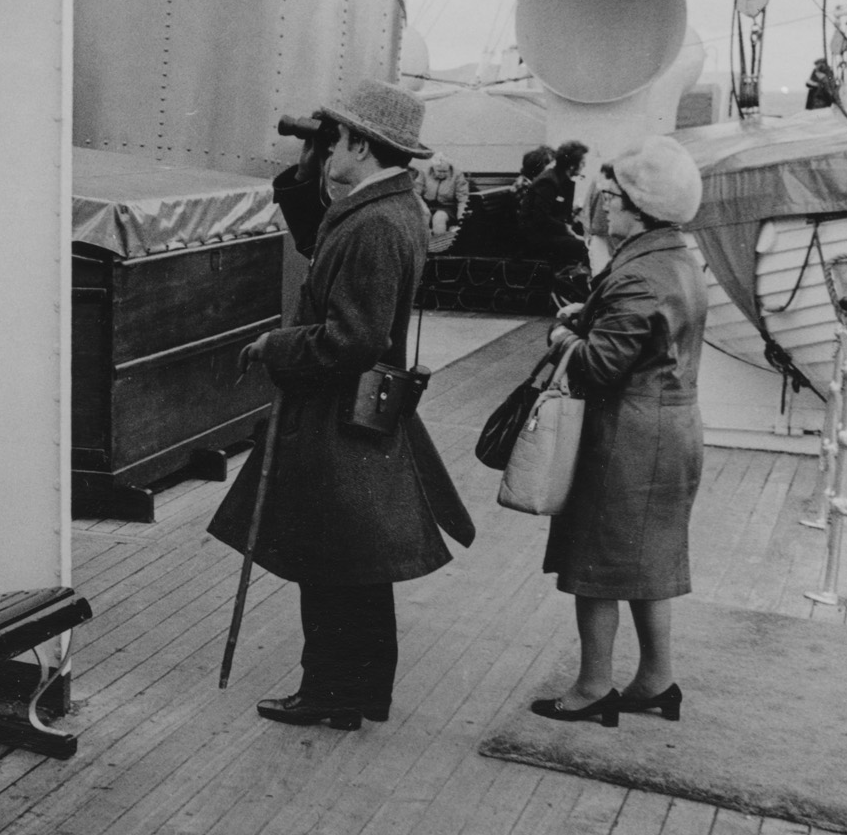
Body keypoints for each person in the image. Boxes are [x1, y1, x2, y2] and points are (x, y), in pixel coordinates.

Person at [209, 79, 476, 731]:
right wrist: (308, 165)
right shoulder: (392, 209)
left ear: (361, 142)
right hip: (352, 413)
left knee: (331, 557)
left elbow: (351, 339)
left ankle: (331, 692)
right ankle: (352, 691)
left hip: (334, 414)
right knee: (355, 560)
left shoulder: (376, 225)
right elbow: (316, 235)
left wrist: (278, 343)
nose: (327, 148)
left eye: (336, 138)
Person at [531, 135, 708, 727]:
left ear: (639, 204)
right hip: (669, 431)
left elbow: (601, 364)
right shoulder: (676, 259)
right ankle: (657, 680)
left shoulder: (638, 275)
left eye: (611, 195)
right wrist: (586, 317)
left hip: (627, 442)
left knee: (598, 566)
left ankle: (592, 688)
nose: (601, 204)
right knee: (649, 564)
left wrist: (563, 339)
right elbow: (647, 335)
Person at [521, 139, 592, 275]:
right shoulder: (548, 182)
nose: (585, 165)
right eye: (582, 162)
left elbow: (560, 214)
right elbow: (540, 218)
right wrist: (566, 229)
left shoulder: (560, 180)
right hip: (537, 238)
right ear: (572, 165)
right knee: (584, 247)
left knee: (588, 236)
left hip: (550, 232)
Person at [420, 154, 464, 233]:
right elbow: (416, 194)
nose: (442, 174)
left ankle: (440, 243)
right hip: (427, 206)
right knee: (422, 217)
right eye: (439, 171)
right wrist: (423, 207)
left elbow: (463, 198)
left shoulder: (457, 175)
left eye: (445, 171)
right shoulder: (424, 173)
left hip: (448, 207)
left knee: (439, 218)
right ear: (433, 168)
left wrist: (461, 218)